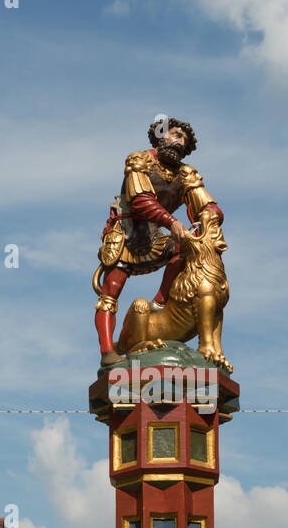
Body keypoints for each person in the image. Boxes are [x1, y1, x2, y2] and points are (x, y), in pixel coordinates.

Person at [93, 117, 224, 366]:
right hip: (126, 235)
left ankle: (159, 302)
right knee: (110, 293)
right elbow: (141, 200)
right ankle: (108, 351)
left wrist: (208, 217)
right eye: (175, 134)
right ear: (160, 136)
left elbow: (209, 206)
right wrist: (172, 223)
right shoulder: (140, 160)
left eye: (183, 139)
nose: (179, 141)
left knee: (187, 249)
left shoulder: (185, 174)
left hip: (155, 238)